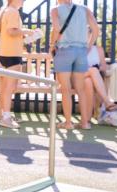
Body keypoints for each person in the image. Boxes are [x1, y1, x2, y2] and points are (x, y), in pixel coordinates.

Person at [49, 0, 99, 130]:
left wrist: (52, 44)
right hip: (81, 51)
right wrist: (87, 46)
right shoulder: (85, 9)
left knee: (65, 89)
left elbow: (56, 29)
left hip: (64, 50)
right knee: (80, 89)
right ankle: (85, 123)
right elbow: (96, 30)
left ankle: (68, 123)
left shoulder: (55, 10)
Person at [0, 0, 39, 129]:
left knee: (5, 88)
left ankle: (4, 115)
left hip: (5, 54)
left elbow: (12, 34)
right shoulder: (13, 12)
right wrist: (29, 32)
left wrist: (25, 36)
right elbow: (12, 31)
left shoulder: (7, 11)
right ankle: (6, 118)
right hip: (12, 55)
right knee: (10, 88)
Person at [84, 44, 117, 116]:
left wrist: (96, 67)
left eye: (89, 33)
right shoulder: (76, 47)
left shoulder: (99, 49)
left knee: (90, 80)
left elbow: (103, 67)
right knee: (93, 71)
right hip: (79, 76)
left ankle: (89, 117)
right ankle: (107, 102)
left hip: (92, 78)